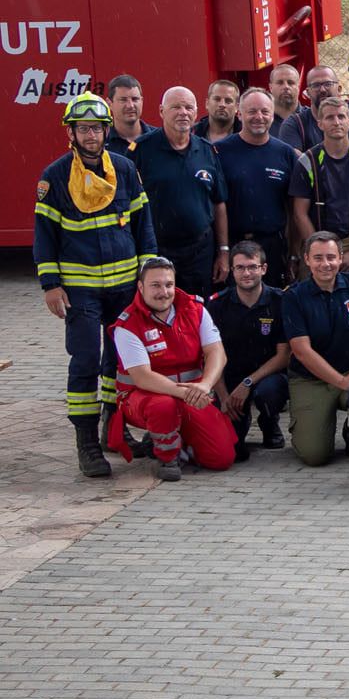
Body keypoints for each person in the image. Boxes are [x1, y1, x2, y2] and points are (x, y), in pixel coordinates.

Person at [108, 255, 235, 480]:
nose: (163, 292)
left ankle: (173, 439)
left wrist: (205, 386)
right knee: (163, 406)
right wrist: (187, 393)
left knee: (221, 459)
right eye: (155, 285)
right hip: (145, 397)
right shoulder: (127, 325)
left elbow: (217, 352)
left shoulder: (195, 309)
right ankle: (166, 458)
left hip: (193, 394)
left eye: (169, 285)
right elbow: (142, 377)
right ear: (140, 286)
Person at [281, 231, 349, 466]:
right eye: (318, 258)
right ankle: (310, 424)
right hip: (311, 379)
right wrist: (340, 381)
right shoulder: (294, 297)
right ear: (307, 259)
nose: (325, 264)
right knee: (314, 455)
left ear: (340, 258)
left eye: (331, 257)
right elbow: (301, 351)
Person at [132, 86, 229, 295]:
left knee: (198, 311)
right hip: (158, 251)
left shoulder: (206, 150)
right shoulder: (141, 151)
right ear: (161, 111)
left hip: (200, 253)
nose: (183, 112)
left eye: (188, 107)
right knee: (160, 310)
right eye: (176, 107)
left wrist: (223, 251)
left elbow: (219, 202)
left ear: (196, 112)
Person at [207, 241, 290, 455]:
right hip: (230, 380)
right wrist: (224, 397)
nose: (247, 273)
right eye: (240, 268)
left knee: (268, 393)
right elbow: (210, 357)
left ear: (263, 269)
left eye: (252, 267)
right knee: (231, 449)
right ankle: (239, 422)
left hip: (267, 377)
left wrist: (248, 383)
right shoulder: (217, 305)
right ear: (232, 271)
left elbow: (283, 357)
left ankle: (269, 421)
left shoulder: (280, 302)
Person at [289, 97, 349, 271]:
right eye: (329, 117)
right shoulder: (306, 162)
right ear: (320, 124)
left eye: (341, 117)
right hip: (317, 240)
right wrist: (318, 252)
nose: (336, 122)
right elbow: (299, 213)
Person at [214, 89, 296, 287]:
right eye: (252, 112)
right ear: (239, 114)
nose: (259, 117)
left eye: (265, 112)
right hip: (234, 246)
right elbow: (217, 204)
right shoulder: (219, 152)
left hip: (272, 249)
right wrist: (223, 250)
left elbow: (294, 210)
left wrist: (293, 255)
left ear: (272, 114)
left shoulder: (285, 154)